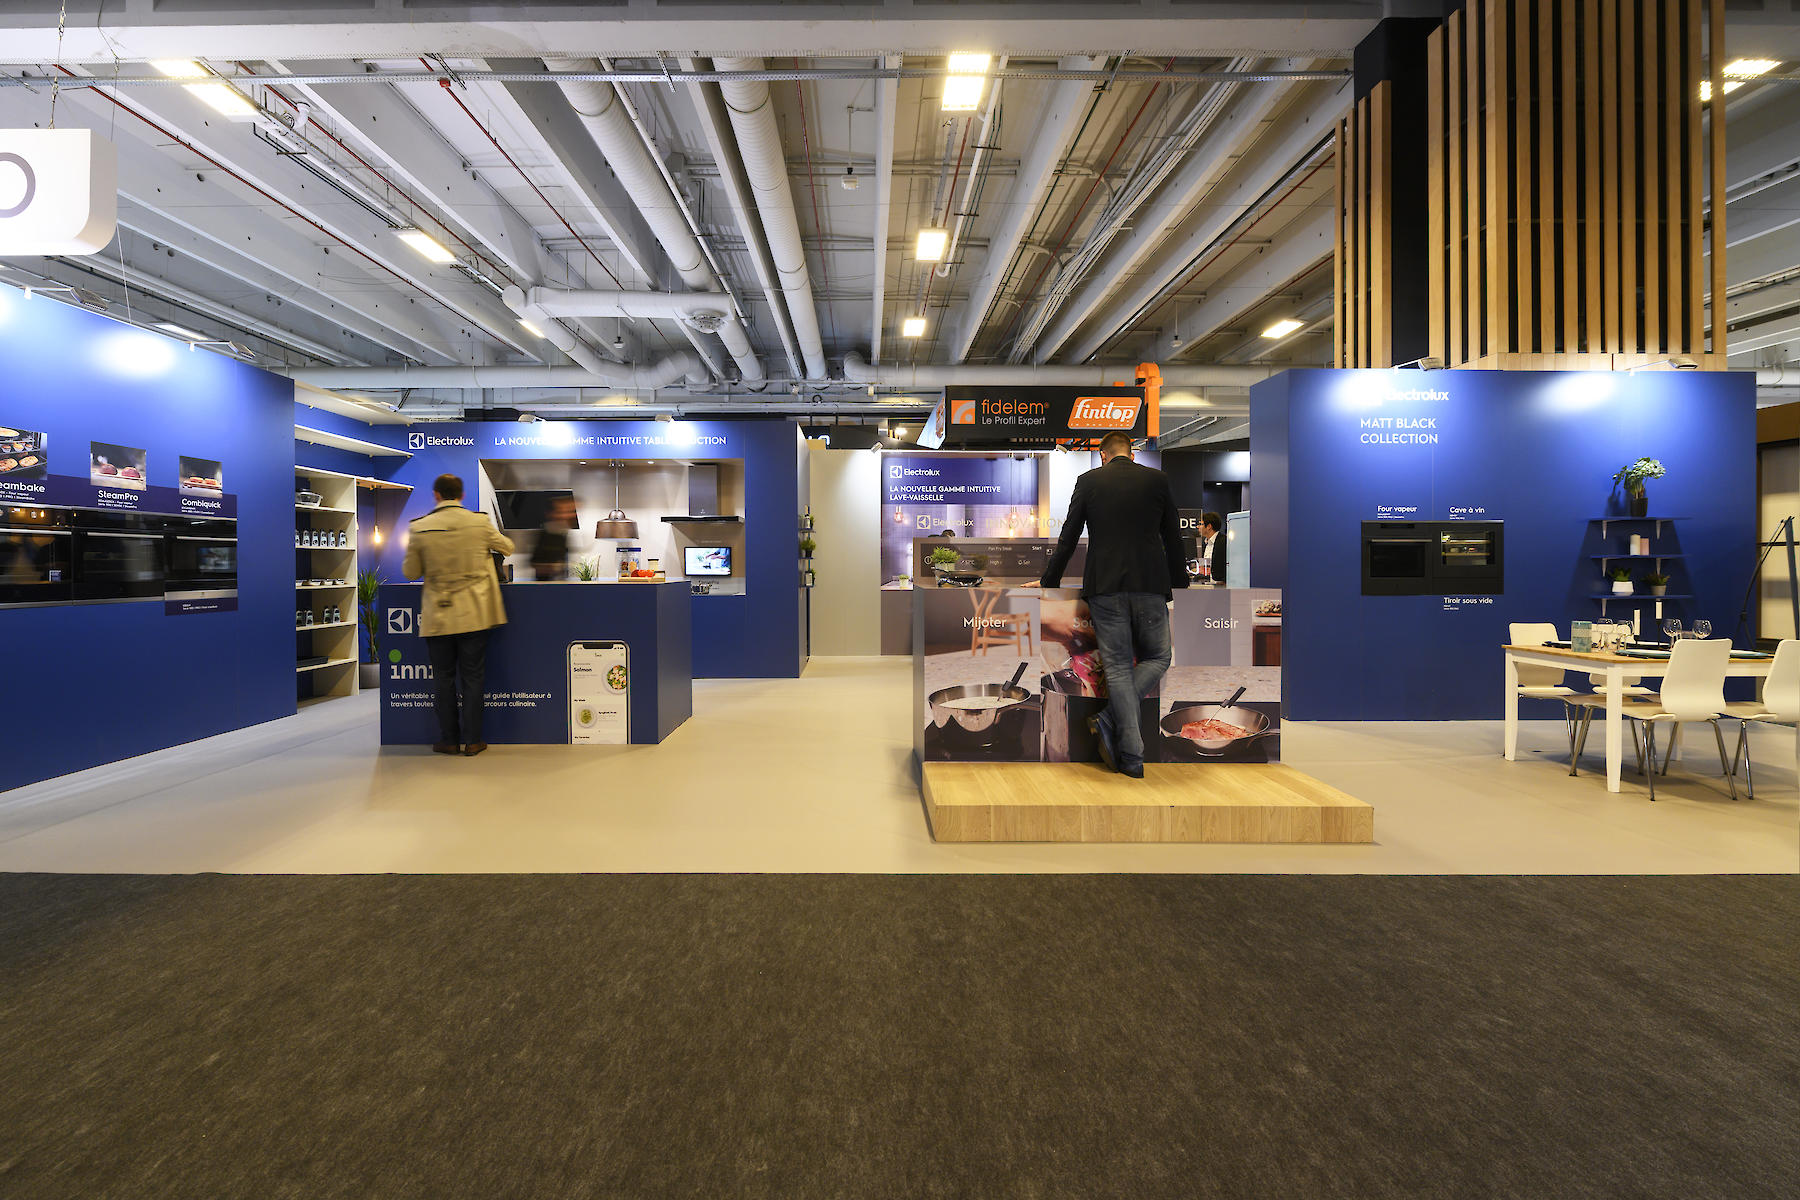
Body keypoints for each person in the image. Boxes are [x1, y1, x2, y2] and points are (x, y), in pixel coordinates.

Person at [1039, 432, 1188, 778]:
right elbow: (1173, 537)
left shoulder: (1089, 481)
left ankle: (1132, 756)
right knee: (1159, 657)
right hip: (1150, 586)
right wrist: (1180, 583)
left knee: (1118, 668)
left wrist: (1049, 581)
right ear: (1132, 454)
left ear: (1103, 455)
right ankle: (1111, 726)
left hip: (1105, 587)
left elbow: (1068, 537)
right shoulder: (1157, 480)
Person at [403, 473, 515, 757]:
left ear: (436, 495)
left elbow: (411, 572)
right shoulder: (479, 523)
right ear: (462, 495)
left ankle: (449, 740)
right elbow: (508, 547)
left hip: (438, 616)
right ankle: (474, 741)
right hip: (474, 613)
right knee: (473, 678)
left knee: (443, 679)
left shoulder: (419, 527)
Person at [530, 495, 576, 581]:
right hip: (547, 584)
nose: (571, 514)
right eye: (562, 511)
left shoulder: (562, 533)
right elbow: (536, 562)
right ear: (552, 513)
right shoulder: (547, 533)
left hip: (559, 583)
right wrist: (556, 566)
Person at [1198, 511, 1226, 585]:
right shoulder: (1206, 543)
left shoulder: (1224, 542)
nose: (1198, 527)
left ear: (1209, 526)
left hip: (1222, 587)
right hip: (1209, 586)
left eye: (1201, 524)